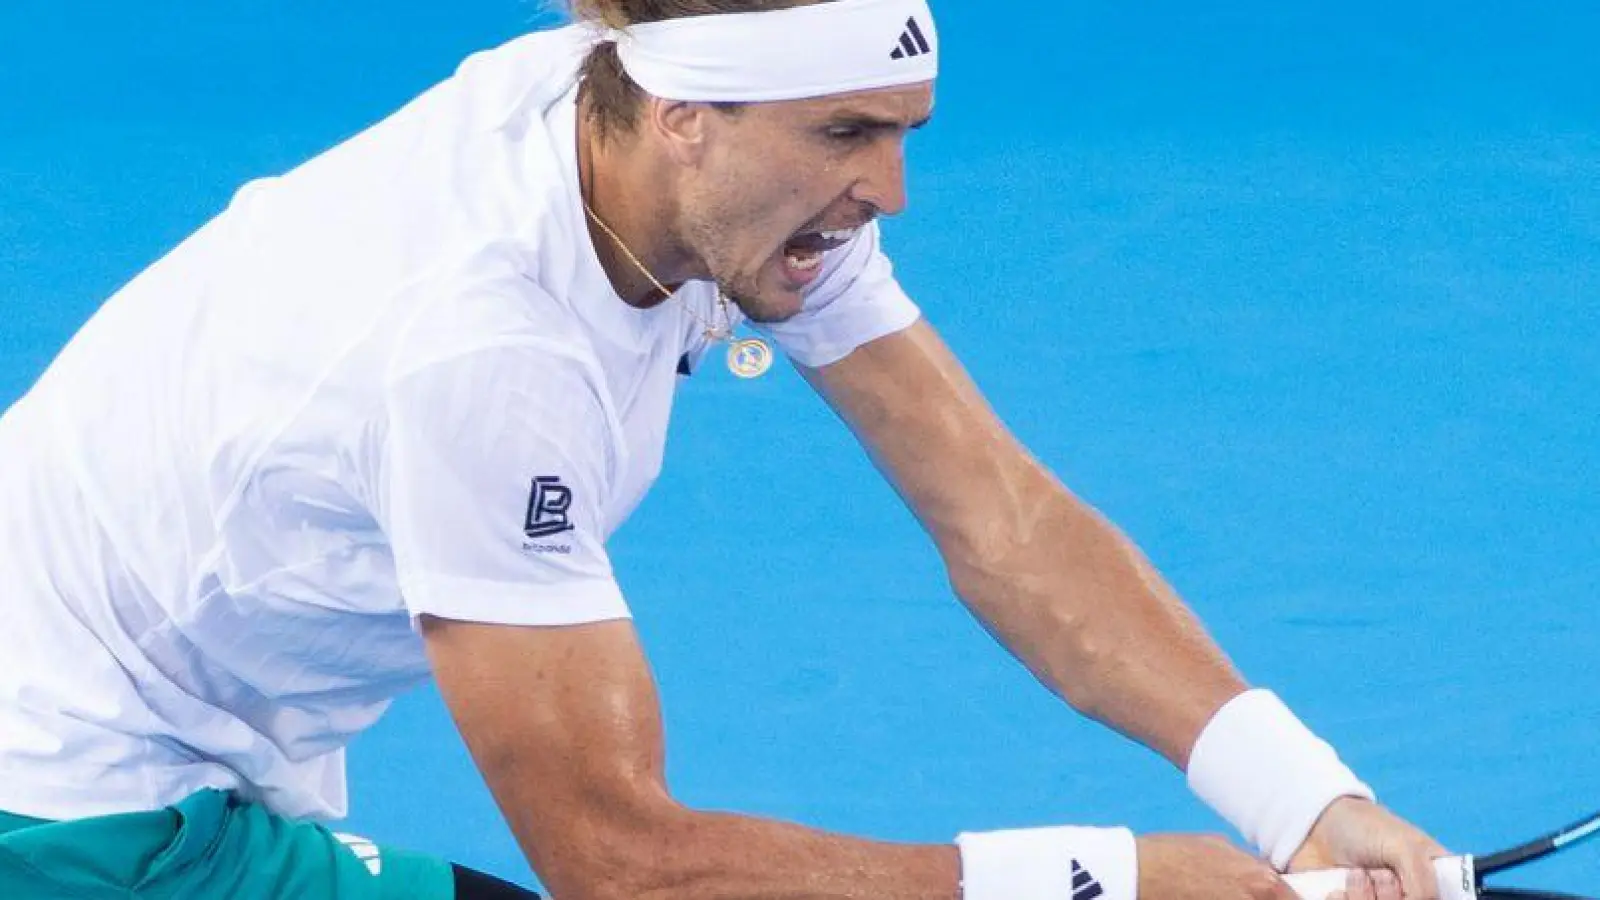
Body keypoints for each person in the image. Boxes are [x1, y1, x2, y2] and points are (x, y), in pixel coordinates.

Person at [0, 0, 1449, 898]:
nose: (889, 188)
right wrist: (1100, 882)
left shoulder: (677, 158)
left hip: (201, 748)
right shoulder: (484, 351)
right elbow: (622, 870)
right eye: (848, 134)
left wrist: (1300, 798)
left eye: (901, 132)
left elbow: (997, 515)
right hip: (80, 818)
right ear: (690, 120)